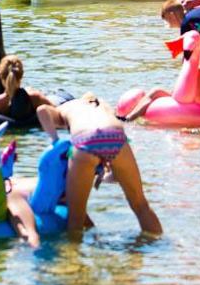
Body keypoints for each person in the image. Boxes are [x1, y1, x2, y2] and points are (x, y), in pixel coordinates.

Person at [36, 95, 162, 237]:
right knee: (141, 205)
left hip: (85, 139)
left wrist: (55, 140)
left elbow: (42, 110)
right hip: (116, 137)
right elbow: (106, 134)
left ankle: (73, 251)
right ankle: (157, 243)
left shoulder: (64, 108)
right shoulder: (101, 104)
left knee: (76, 218)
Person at [120, 43, 200, 126]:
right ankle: (130, 118)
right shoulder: (196, 71)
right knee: (156, 91)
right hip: (184, 102)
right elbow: (181, 87)